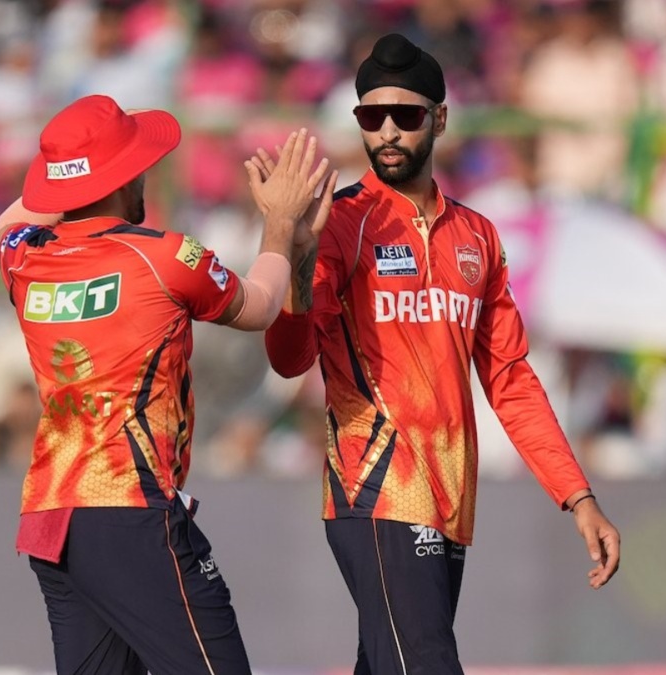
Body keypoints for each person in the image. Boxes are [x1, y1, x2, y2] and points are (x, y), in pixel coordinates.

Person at [258, 33, 621, 674]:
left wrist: (577, 496)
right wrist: (294, 254)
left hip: (451, 500)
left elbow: (510, 379)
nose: (387, 131)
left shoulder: (478, 235)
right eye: (372, 116)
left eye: (405, 114)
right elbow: (289, 359)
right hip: (376, 490)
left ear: (441, 119)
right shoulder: (338, 224)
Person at [0, 94, 334, 674]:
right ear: (123, 175)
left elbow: (8, 221)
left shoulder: (23, 258)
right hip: (131, 510)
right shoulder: (166, 256)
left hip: (52, 518)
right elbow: (259, 306)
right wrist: (280, 224)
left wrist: (68, 174)